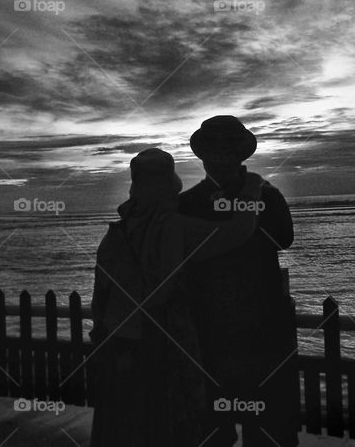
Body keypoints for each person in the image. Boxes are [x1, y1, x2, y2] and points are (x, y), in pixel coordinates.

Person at [89, 147, 266, 446]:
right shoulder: (173, 226)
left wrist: (101, 338)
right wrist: (252, 188)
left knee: (124, 427)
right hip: (163, 344)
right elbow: (237, 232)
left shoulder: (115, 234)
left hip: (118, 345)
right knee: (169, 424)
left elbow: (100, 298)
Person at [178, 116, 299, 447]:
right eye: (215, 153)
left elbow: (284, 237)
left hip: (256, 331)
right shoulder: (261, 194)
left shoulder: (192, 203)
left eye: (225, 153)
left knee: (269, 430)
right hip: (215, 333)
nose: (219, 160)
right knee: (218, 430)